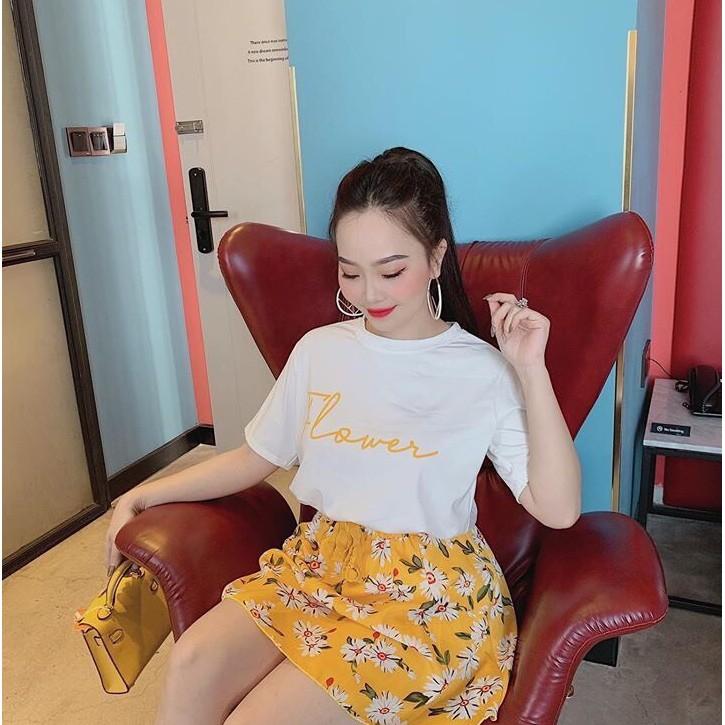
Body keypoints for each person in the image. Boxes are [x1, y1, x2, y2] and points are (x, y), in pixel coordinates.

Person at [106, 147, 581, 724]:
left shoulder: (482, 369)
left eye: (391, 271)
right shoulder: (320, 351)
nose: (369, 294)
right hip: (320, 566)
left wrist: (531, 369)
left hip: (426, 597)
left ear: (436, 257)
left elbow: (558, 509)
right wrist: (144, 495)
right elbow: (255, 457)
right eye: (350, 271)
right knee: (192, 662)